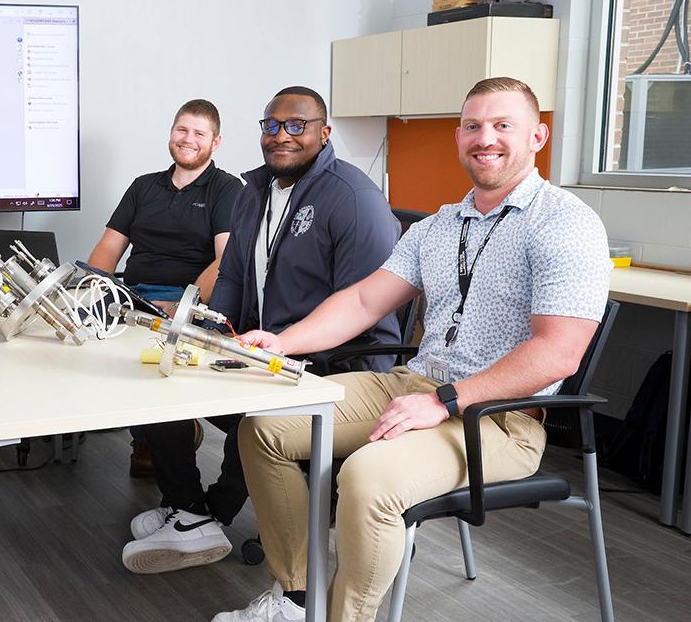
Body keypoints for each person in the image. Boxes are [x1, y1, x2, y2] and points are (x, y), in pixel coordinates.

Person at [213, 77, 610, 622]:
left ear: (538, 136)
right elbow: (360, 303)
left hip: (499, 418)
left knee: (367, 476)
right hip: (413, 384)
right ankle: (299, 595)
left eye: (502, 125)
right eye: (472, 125)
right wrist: (281, 342)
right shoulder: (441, 225)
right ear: (458, 136)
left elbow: (558, 353)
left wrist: (445, 401)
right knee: (264, 427)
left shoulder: (566, 224)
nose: (484, 138)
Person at [122, 86, 400, 575]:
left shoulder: (353, 198)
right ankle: (189, 509)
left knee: (254, 415)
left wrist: (291, 354)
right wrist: (212, 335)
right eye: (271, 125)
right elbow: (231, 274)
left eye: (296, 125)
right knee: (160, 385)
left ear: (324, 132)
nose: (281, 135)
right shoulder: (256, 191)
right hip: (265, 346)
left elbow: (363, 311)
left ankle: (209, 516)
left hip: (333, 364)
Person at [87, 99, 242, 478]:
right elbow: (109, 247)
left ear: (215, 142)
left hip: (187, 304)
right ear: (171, 133)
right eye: (181, 130)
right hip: (132, 296)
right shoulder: (143, 187)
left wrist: (183, 307)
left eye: (199, 134)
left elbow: (225, 261)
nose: (188, 140)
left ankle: (170, 445)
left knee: (151, 368)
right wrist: (91, 289)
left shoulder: (226, 189)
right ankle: (149, 436)